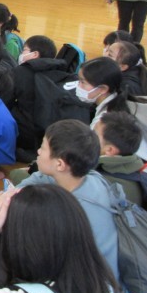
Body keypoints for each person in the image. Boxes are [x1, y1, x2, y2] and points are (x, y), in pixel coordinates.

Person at [16, 120, 119, 280]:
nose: (38, 151)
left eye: (43, 148)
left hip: (88, 285)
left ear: (59, 164)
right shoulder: (88, 176)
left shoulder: (73, 215)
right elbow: (38, 179)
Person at [9, 35, 85, 162]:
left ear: (35, 54)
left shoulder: (20, 72)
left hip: (27, 134)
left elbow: (5, 102)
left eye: (25, 50)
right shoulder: (61, 69)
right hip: (52, 131)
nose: (21, 54)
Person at [94, 111, 145, 206]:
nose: (87, 136)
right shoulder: (132, 169)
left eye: (93, 135)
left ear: (109, 150)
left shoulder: (105, 186)